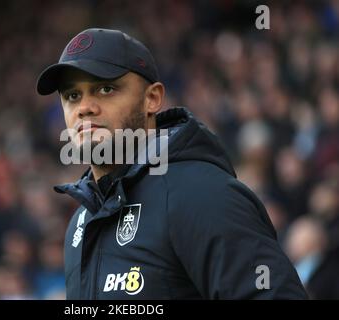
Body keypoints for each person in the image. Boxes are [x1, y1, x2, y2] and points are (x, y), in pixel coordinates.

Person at [36, 28, 308, 299]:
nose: (84, 107)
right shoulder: (80, 224)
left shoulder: (203, 195)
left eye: (105, 88)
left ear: (152, 98)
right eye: (72, 96)